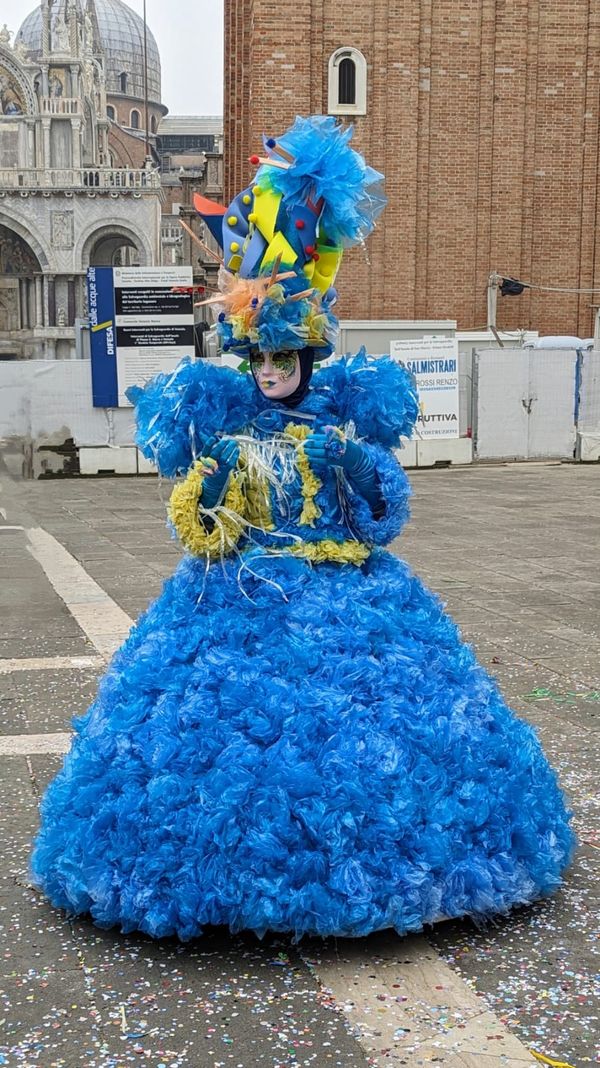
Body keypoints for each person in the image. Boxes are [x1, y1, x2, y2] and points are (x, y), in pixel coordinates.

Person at [31, 116, 574, 941]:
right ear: (249, 364)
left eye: (285, 361)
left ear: (310, 363)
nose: (273, 373)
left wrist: (352, 467)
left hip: (347, 591)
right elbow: (197, 530)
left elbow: (384, 515)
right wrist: (210, 493)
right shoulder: (228, 433)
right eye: (262, 362)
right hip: (237, 592)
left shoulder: (341, 429)